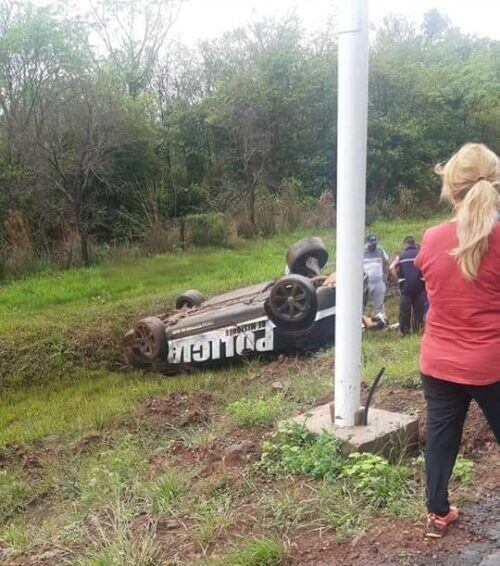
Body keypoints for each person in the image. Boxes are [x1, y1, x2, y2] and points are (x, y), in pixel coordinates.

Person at [414, 143, 500, 539]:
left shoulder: (431, 239)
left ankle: (436, 514)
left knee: (441, 439)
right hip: (492, 362)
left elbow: (428, 284)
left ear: (451, 187)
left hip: (440, 362)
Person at [390, 236, 426, 334]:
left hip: (406, 287)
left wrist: (398, 280)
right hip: (419, 285)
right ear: (414, 244)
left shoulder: (401, 256)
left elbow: (391, 267)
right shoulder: (420, 254)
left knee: (405, 310)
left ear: (405, 244)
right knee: (419, 310)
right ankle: (418, 330)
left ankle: (405, 331)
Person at [363, 234, 389, 318]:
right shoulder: (360, 252)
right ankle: (362, 322)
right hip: (366, 283)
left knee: (379, 305)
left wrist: (385, 276)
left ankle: (381, 321)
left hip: (378, 281)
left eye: (375, 244)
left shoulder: (380, 250)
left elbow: (386, 262)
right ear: (366, 243)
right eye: (371, 244)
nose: (373, 246)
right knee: (362, 305)